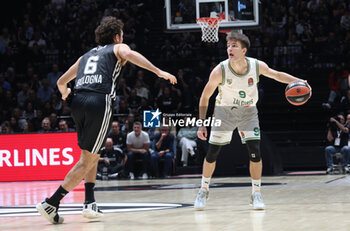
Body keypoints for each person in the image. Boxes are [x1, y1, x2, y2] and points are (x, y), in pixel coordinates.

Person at [36, 16, 176, 224]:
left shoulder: (85, 56)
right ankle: (52, 202)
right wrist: (158, 71)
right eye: (122, 35)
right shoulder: (117, 48)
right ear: (116, 36)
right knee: (87, 160)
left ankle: (90, 202)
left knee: (91, 154)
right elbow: (129, 53)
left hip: (78, 103)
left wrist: (66, 94)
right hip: (98, 101)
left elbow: (60, 82)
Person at [194, 31, 311, 210]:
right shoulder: (220, 70)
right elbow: (205, 97)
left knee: (255, 150)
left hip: (248, 112)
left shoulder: (256, 66)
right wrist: (201, 122)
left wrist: (300, 81)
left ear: (244, 50)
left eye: (234, 46)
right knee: (212, 153)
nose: (229, 49)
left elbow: (278, 75)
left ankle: (256, 194)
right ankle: (203, 190)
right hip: (224, 112)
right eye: (228, 46)